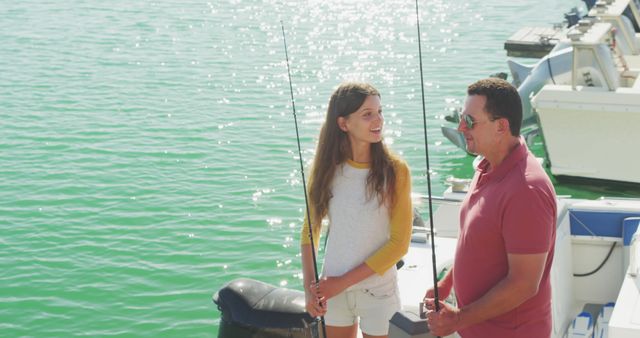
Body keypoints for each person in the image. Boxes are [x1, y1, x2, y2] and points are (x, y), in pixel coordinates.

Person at [423, 78, 557, 337]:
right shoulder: (486, 166)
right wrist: (446, 283)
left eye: (470, 121)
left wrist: (459, 318)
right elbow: (478, 241)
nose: (461, 128)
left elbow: (524, 284)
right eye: (462, 118)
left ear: (501, 126)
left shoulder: (526, 190)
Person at [300, 82, 412, 338]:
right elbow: (309, 232)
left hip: (378, 292)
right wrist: (310, 288)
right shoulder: (326, 171)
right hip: (333, 292)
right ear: (343, 124)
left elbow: (399, 245)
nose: (378, 120)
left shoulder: (397, 171)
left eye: (380, 112)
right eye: (367, 114)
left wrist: (340, 283)